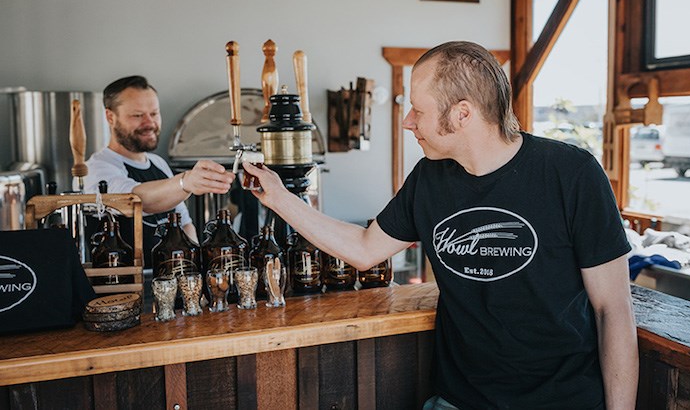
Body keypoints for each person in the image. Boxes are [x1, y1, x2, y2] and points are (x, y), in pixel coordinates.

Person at [243, 41, 638, 409]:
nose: (407, 122)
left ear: (462, 114)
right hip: (459, 400)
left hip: (562, 401)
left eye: (418, 110)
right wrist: (280, 197)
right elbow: (365, 248)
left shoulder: (571, 174)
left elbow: (613, 310)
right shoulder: (430, 178)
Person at [85, 75, 234, 262]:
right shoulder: (96, 168)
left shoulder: (158, 163)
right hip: (128, 285)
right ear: (110, 117)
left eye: (154, 114)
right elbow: (134, 201)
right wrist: (185, 182)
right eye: (137, 115)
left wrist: (195, 267)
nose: (149, 123)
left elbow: (185, 225)